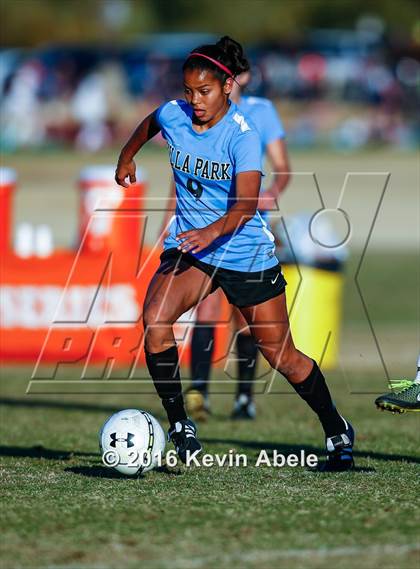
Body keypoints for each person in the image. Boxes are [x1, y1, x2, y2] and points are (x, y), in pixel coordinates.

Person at [115, 36, 355, 471]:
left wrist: (210, 231)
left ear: (227, 85)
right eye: (189, 91)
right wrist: (126, 157)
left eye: (203, 92)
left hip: (245, 253)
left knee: (282, 355)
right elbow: (150, 122)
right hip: (193, 249)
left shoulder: (243, 135)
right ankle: (181, 426)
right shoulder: (176, 114)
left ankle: (337, 427)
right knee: (155, 320)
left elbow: (246, 205)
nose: (195, 101)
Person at [160, 69, 291, 421]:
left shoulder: (260, 114)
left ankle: (244, 397)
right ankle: (198, 393)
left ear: (240, 78)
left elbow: (283, 168)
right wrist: (169, 218)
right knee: (206, 310)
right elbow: (189, 172)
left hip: (248, 225)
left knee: (245, 320)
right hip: (203, 228)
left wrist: (267, 197)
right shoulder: (196, 113)